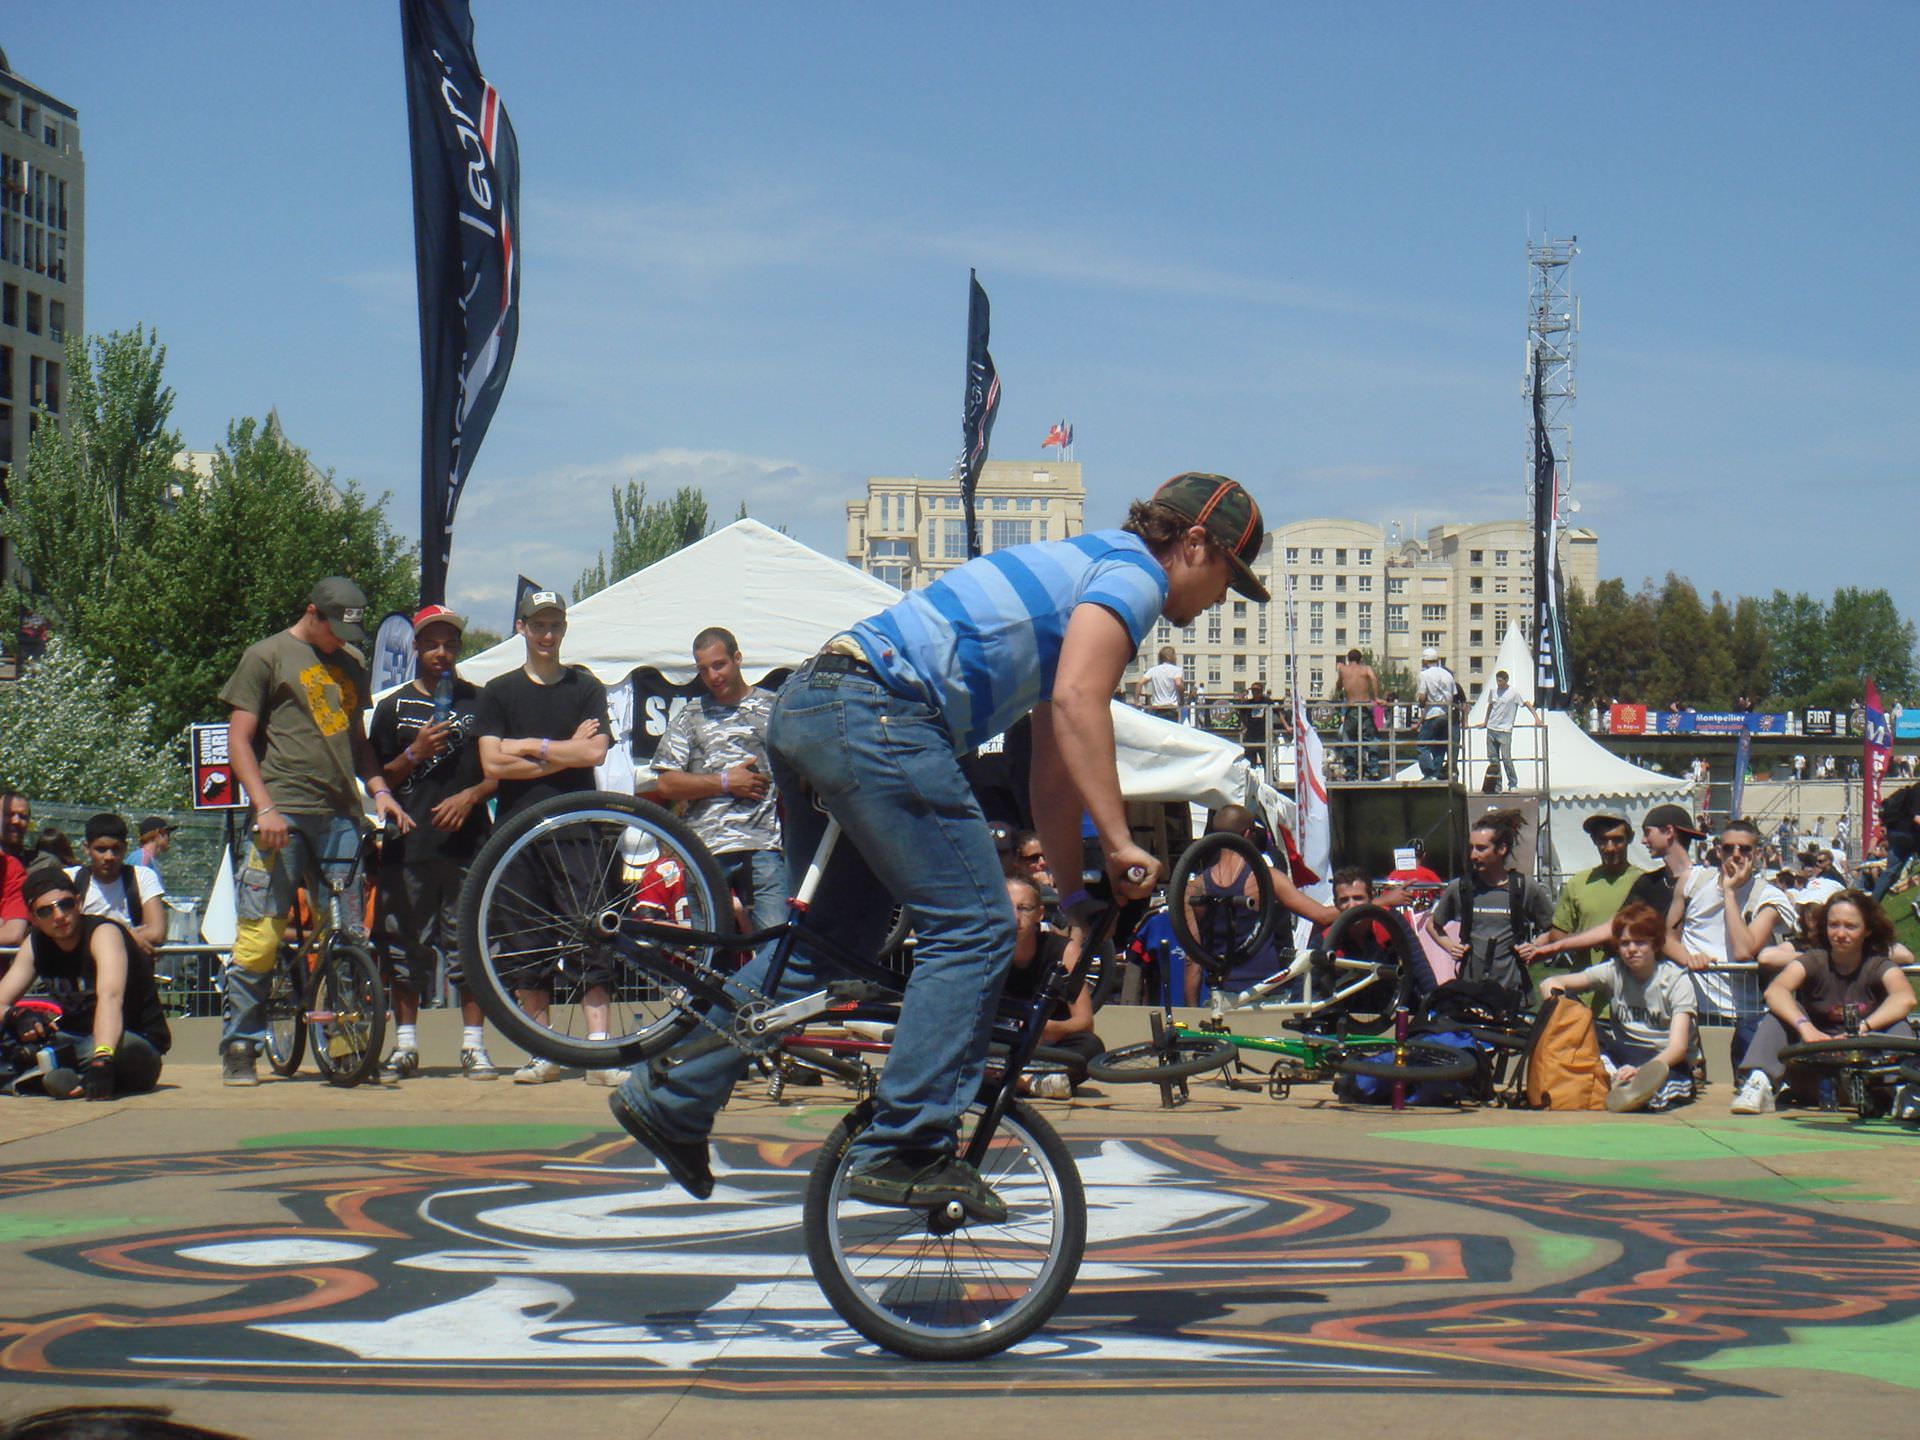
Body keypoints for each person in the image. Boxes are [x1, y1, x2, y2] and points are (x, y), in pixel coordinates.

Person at [612, 471, 1265, 1220]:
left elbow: (1055, 766)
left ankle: (674, 1095)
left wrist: (1078, 896)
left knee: (830, 943)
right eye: (1228, 579)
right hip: (877, 711)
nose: (1220, 599)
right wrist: (1119, 843)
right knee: (979, 924)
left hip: (815, 705)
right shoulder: (1132, 578)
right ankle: (906, 1146)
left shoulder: (1088, 570)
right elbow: (1086, 705)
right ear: (1193, 544)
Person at [218, 577, 412, 1086]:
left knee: (349, 935)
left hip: (341, 815)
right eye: (335, 630)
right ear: (313, 613)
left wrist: (382, 792)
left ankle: (347, 1045)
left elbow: (358, 742)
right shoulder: (267, 656)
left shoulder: (350, 663)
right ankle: (240, 1043)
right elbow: (238, 741)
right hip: (281, 810)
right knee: (260, 934)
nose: (341, 641)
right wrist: (264, 807)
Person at [475, 588, 615, 1085]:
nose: (547, 635)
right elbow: (491, 764)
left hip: (577, 827)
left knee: (592, 932)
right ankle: (544, 1050)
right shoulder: (497, 691)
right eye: (538, 625)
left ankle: (599, 1050)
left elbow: (594, 755)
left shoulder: (585, 686)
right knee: (524, 941)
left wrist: (526, 750)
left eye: (555, 625)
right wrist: (557, 748)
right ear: (521, 628)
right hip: (517, 833)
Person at [368, 605, 501, 1082]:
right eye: (432, 644)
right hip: (409, 845)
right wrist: (414, 752)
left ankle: (474, 1046)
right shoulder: (392, 707)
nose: (441, 652)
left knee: (469, 947)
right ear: (417, 648)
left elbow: (499, 773)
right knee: (406, 946)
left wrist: (470, 796)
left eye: (450, 644)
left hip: (469, 843)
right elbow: (375, 778)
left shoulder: (482, 703)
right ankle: (405, 1045)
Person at [650, 627, 785, 933]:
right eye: (703, 669)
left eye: (718, 664)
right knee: (711, 951)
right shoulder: (691, 715)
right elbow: (666, 784)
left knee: (774, 946)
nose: (712, 676)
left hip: (763, 846)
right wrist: (725, 782)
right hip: (707, 851)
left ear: (737, 658)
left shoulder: (773, 708)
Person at [1733, 891, 1918, 1114]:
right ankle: (1759, 1082)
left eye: (1850, 927)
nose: (1840, 934)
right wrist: (1806, 1027)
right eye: (1834, 925)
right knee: (1780, 1014)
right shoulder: (1814, 959)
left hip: (1869, 1069)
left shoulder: (1878, 964)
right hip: (1817, 1064)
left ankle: (1905, 1090)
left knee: (1898, 1023)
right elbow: (1776, 991)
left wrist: (1864, 1028)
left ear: (1867, 930)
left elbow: (1905, 997)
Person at [0, 867, 172, 1099]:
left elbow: (110, 998)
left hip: (130, 1042)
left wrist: (102, 1057)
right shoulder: (35, 944)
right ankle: (61, 1075)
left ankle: (43, 1072)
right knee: (21, 1039)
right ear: (33, 918)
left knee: (106, 1048)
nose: (59, 915)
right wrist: (18, 1017)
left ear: (79, 903)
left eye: (66, 904)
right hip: (75, 1038)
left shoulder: (104, 933)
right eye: (45, 911)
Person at [1539, 901, 1696, 1112]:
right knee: (1580, 1019)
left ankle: (1632, 1090)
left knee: (1660, 1090)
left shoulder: (1676, 980)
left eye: (1640, 943)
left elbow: (1678, 1048)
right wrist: (1562, 1012)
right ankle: (1616, 1080)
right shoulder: (1614, 970)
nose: (1631, 950)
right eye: (1624, 943)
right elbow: (1550, 984)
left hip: (1663, 1061)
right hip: (1621, 1054)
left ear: (1656, 944)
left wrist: (1641, 1071)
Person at [1182, 803, 1337, 1004]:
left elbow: (1192, 961)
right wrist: (1373, 904)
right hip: (1266, 990)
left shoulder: (1194, 888)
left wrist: (1191, 1012)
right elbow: (1321, 916)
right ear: (1248, 834)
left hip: (1219, 994)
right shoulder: (1267, 879)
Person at [1669, 818, 1798, 1026]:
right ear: (1719, 851)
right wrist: (1689, 959)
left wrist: (1729, 892)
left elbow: (1743, 951)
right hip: (1692, 1006)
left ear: (1757, 855)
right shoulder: (1692, 881)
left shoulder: (1769, 897)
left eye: (1745, 849)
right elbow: (1668, 938)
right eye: (1729, 848)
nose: (1736, 854)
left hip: (1745, 1011)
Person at [1429, 809, 1553, 1003]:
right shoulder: (1462, 887)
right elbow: (1432, 925)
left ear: (1501, 849)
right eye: (1471, 848)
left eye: (1481, 848)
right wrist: (1451, 947)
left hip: (1513, 992)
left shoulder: (1523, 887)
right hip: (1471, 991)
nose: (1473, 855)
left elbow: (1554, 929)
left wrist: (1535, 947)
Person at [1002, 875, 1102, 1097]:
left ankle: (1007, 1078)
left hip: (1047, 1045)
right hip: (1001, 1042)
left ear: (1040, 914)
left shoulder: (1065, 951)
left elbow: (1085, 1021)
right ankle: (1030, 1082)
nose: (1014, 917)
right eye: (1006, 907)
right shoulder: (985, 952)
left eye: (1024, 909)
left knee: (1091, 1047)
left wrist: (1048, 1029)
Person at [1531, 813, 1648, 970]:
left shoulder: (1645, 882)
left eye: (1618, 840)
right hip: (1586, 987)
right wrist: (1590, 940)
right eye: (1603, 840)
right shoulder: (1578, 883)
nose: (1610, 848)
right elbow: (1557, 935)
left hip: (1633, 984)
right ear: (1594, 840)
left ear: (1630, 838)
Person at [65, 814, 169, 958]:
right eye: (101, 849)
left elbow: (156, 932)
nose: (109, 857)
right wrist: (129, 936)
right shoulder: (71, 879)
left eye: (116, 849)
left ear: (125, 848)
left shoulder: (142, 877)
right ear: (86, 848)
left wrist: (87, 937)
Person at [1468, 669, 1542, 793]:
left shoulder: (1513, 693)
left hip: (1505, 730)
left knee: (1506, 757)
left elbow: (1527, 703)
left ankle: (1513, 783)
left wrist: (1537, 719)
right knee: (1493, 759)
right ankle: (1497, 786)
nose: (1499, 683)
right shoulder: (1493, 692)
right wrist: (1485, 721)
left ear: (1506, 680)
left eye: (1501, 681)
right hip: (1492, 728)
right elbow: (1490, 706)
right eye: (1497, 681)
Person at [1334, 648, 1381, 780]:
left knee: (1349, 740)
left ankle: (1351, 772)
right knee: (1371, 739)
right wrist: (1376, 697)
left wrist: (1340, 684)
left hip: (1351, 707)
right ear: (1361, 659)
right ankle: (1374, 770)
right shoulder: (1366, 669)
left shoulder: (1343, 670)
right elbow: (1373, 678)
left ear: (1348, 659)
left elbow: (1338, 686)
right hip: (1365, 706)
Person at [1415, 647, 1456, 779]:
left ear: (1425, 661)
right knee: (1440, 747)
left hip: (1432, 714)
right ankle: (1436, 773)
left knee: (1423, 745)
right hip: (1446, 714)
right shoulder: (1448, 675)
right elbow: (1453, 694)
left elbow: (1422, 696)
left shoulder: (1424, 674)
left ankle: (1429, 773)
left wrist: (1421, 704)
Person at [1138, 645, 1184, 721]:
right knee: (1171, 730)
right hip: (1170, 708)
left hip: (1157, 708)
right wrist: (1182, 700)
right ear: (1171, 657)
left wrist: (1137, 701)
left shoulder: (1153, 670)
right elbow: (1178, 684)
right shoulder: (1177, 670)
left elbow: (1140, 682)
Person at [135, 817, 174, 888]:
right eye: (167, 834)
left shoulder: (148, 859)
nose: (169, 838)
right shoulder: (143, 858)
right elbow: (139, 890)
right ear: (159, 833)